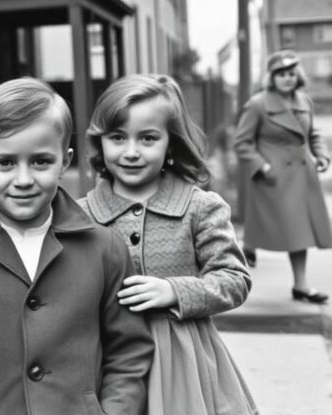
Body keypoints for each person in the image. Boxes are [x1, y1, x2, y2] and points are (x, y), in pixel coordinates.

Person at [0, 77, 153, 415]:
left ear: (65, 160)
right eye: (4, 163)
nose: (24, 179)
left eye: (41, 161)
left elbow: (129, 354)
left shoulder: (106, 249)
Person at [79, 74, 257, 415]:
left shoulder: (200, 207)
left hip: (182, 362)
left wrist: (175, 291)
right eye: (117, 137)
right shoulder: (80, 214)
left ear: (170, 144)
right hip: (107, 361)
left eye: (147, 138)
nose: (131, 152)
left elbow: (235, 279)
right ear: (100, 142)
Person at [234, 49, 332, 303]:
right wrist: (263, 167)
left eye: (291, 73)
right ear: (272, 78)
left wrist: (321, 154)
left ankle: (301, 285)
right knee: (273, 226)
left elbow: (313, 134)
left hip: (301, 177)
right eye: (281, 74)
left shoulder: (304, 101)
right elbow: (242, 143)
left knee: (299, 232)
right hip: (273, 178)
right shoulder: (258, 104)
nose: (287, 78)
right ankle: (247, 250)